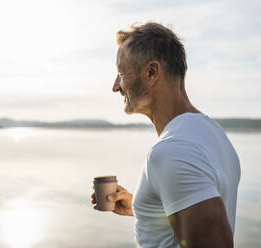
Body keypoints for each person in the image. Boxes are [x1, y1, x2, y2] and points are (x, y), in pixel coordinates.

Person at [90, 22, 241, 248]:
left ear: (151, 73)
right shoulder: (214, 135)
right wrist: (143, 208)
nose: (115, 86)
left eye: (121, 73)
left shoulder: (172, 151)